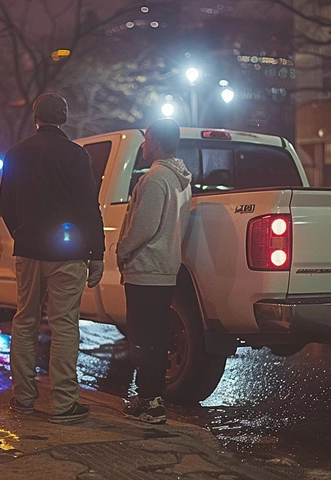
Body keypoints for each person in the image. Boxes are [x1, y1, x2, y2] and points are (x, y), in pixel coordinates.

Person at [0, 92, 105, 424]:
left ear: (36, 117)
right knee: (64, 325)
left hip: (28, 250)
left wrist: (21, 233)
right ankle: (63, 403)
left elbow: (5, 204)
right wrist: (96, 252)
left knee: (25, 321)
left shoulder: (16, 153)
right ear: (65, 118)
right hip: (67, 254)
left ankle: (23, 398)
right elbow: (89, 206)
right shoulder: (76, 155)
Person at [117, 118, 192, 424]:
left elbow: (143, 228)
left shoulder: (155, 178)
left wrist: (122, 249)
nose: (143, 146)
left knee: (143, 339)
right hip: (164, 268)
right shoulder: (180, 179)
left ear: (157, 143)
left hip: (145, 269)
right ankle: (148, 396)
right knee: (156, 336)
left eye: (146, 140)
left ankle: (150, 402)